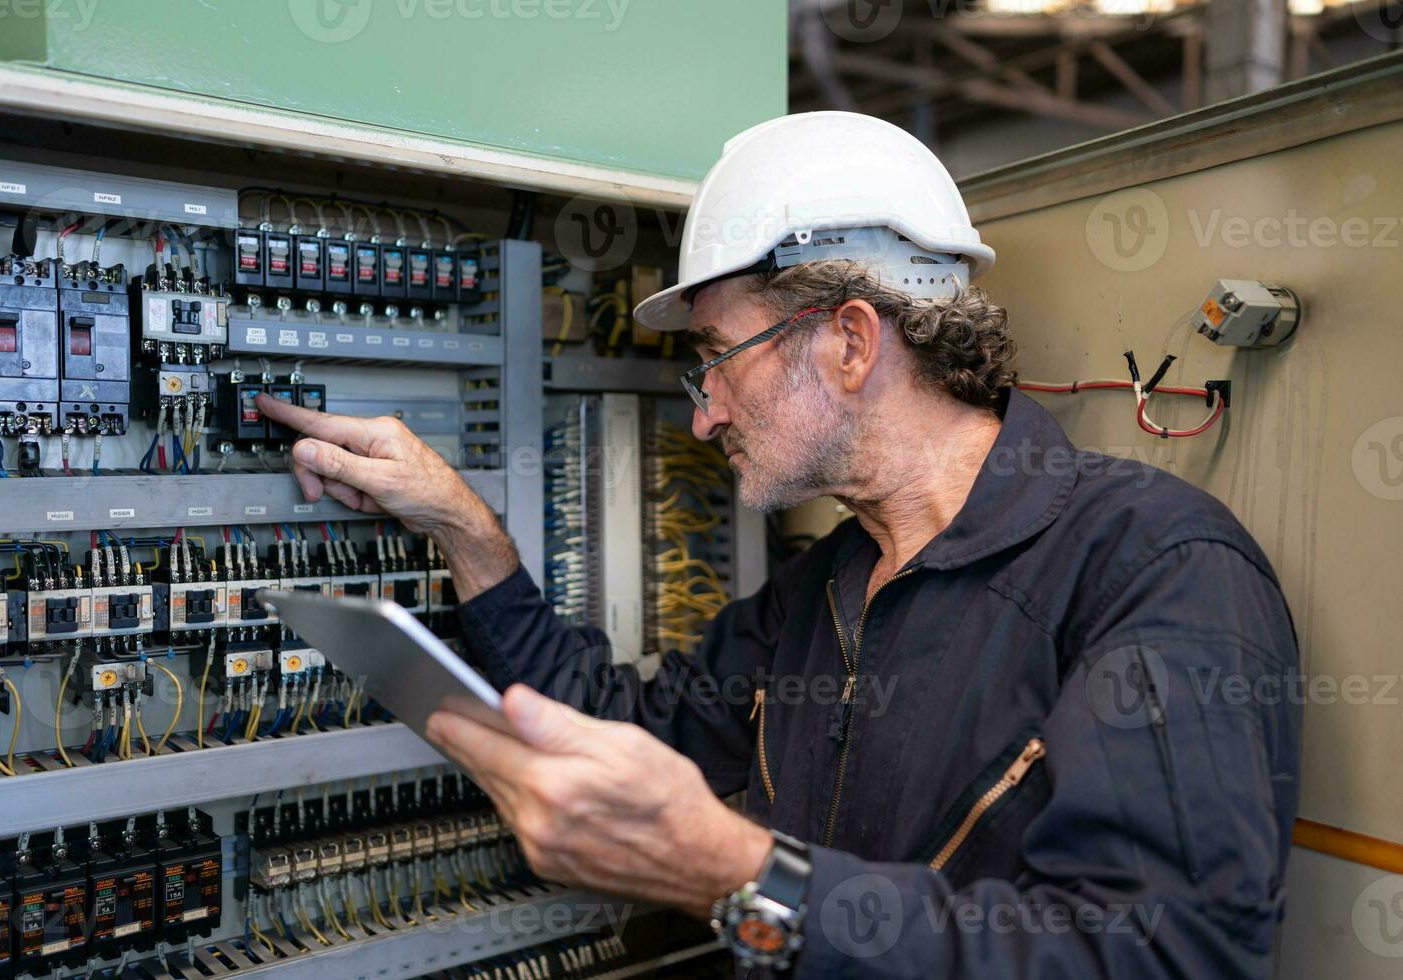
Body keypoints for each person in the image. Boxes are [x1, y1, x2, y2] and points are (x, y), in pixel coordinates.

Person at [259, 111, 1300, 977]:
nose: (704, 413)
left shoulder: (1155, 571)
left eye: (718, 358)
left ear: (849, 341)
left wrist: (742, 871)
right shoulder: (822, 590)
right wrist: (467, 531)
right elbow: (625, 726)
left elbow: (1168, 954)